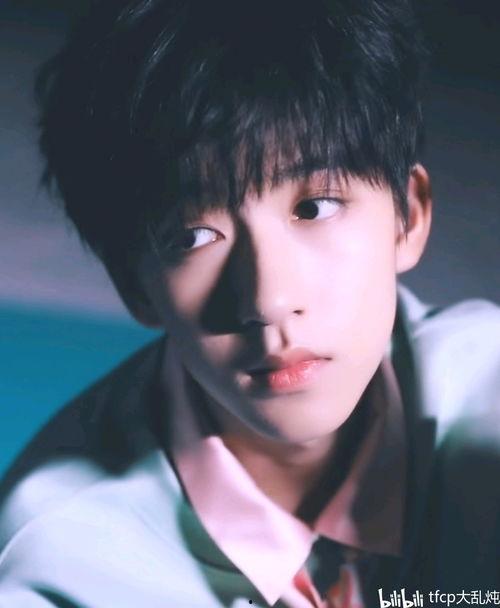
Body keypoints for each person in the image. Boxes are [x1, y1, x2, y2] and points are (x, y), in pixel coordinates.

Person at [1, 0, 499, 606]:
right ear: (133, 285)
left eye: (315, 207)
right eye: (192, 237)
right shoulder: (58, 571)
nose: (269, 300)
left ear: (408, 215)